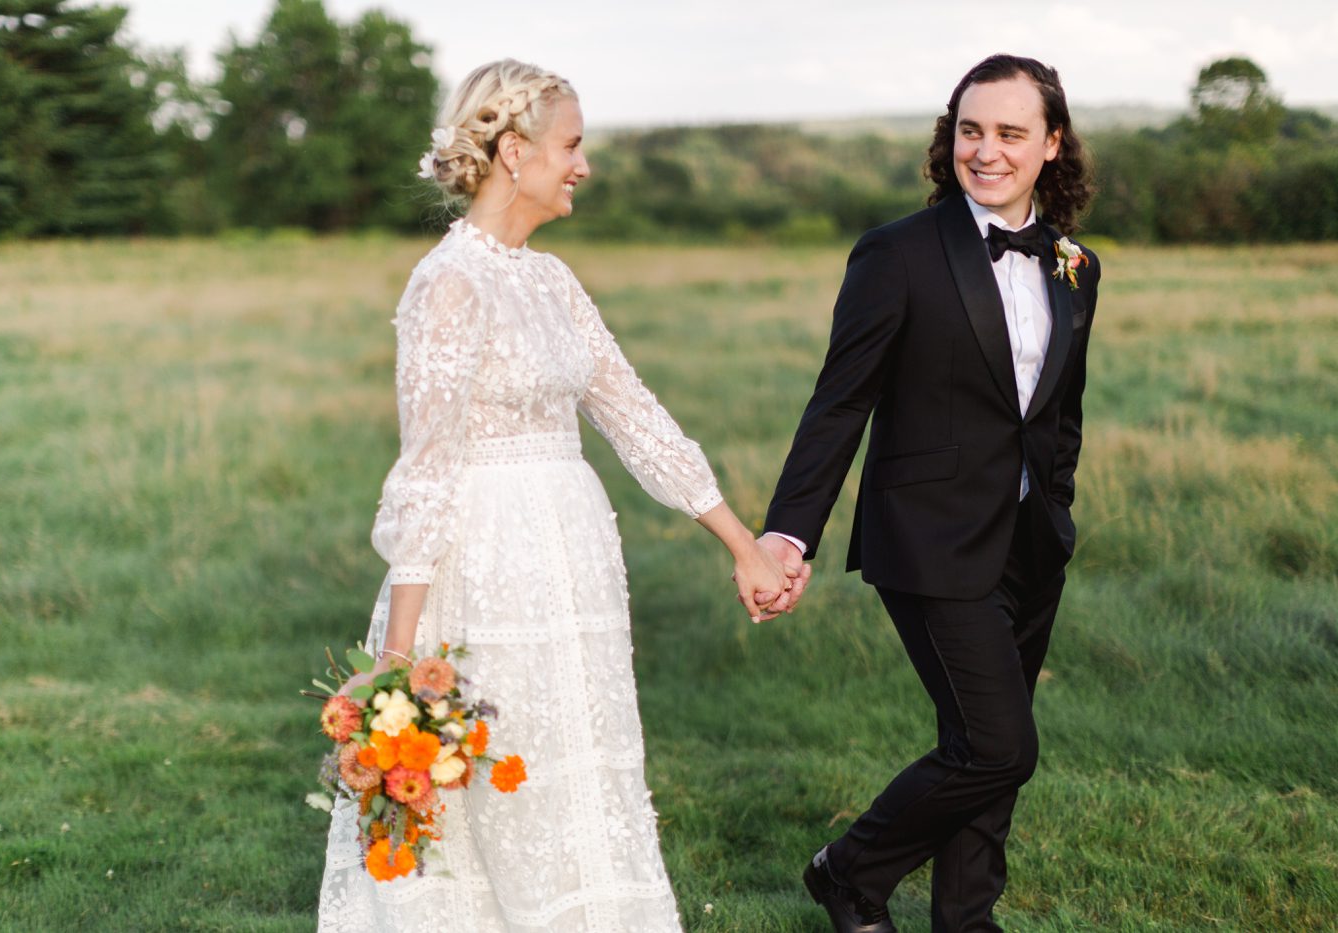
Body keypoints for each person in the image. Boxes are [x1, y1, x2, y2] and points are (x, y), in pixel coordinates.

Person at [317, 59, 794, 933]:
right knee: (494, 782)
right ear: (511, 152)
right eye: (571, 146)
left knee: (578, 766)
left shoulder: (551, 280)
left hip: (571, 564)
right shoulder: (447, 284)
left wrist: (742, 543)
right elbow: (426, 466)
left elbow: (634, 415)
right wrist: (396, 654)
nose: (583, 165)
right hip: (484, 564)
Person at [750, 55, 1101, 932]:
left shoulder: (1075, 264)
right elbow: (839, 404)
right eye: (969, 130)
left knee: (985, 751)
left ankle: (966, 918)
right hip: (929, 537)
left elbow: (1060, 411)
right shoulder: (896, 253)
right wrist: (787, 536)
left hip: (1029, 538)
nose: (984, 151)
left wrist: (1055, 512)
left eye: (1009, 133)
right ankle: (850, 871)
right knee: (998, 744)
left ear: (1051, 145)